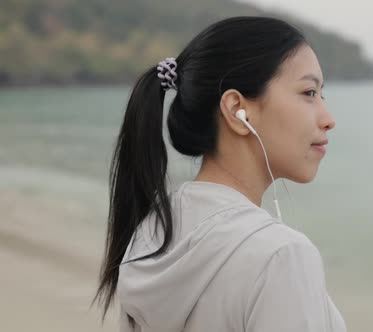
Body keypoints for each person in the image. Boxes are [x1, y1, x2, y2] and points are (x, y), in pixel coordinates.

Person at [94, 16, 344, 332]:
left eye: (322, 95)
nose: (328, 118)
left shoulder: (153, 230)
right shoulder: (280, 255)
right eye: (309, 92)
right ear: (237, 110)